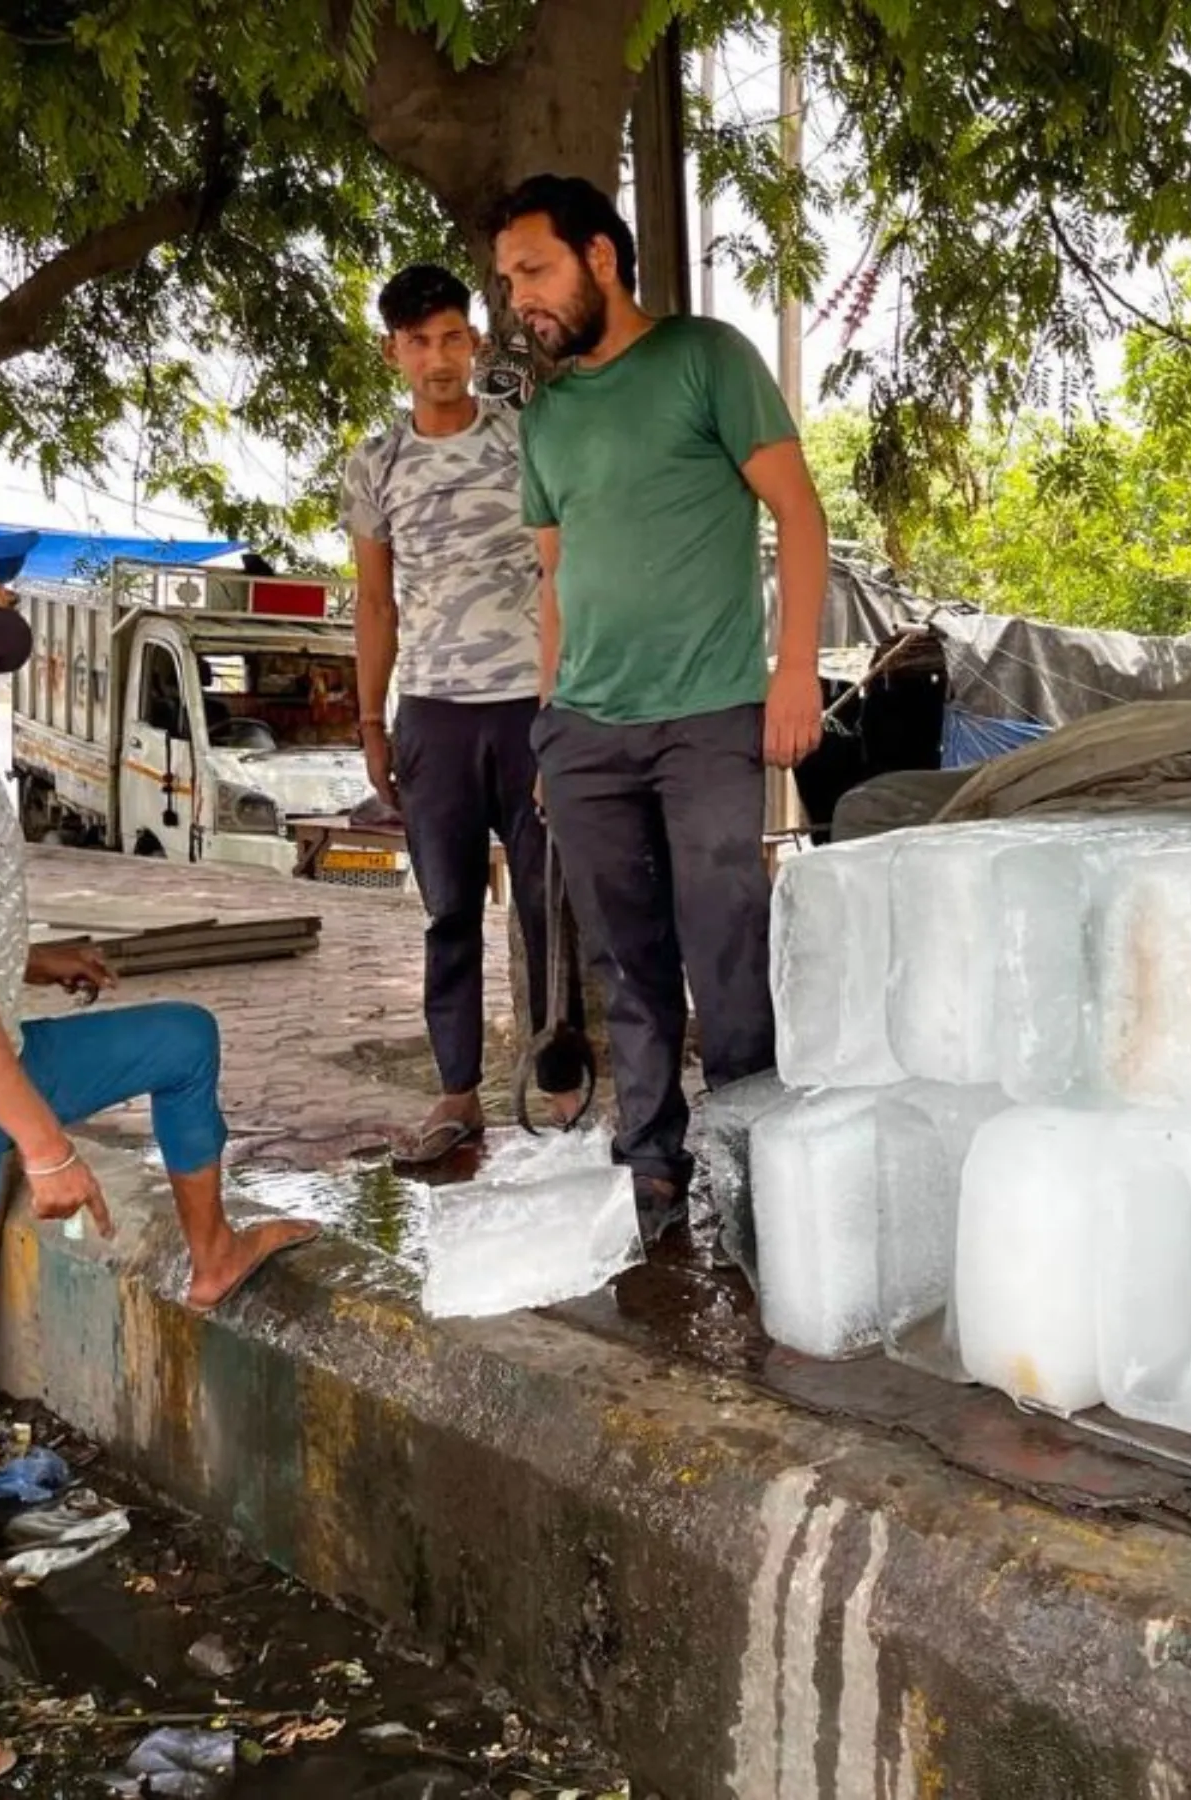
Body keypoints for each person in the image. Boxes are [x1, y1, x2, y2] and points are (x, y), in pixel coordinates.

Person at [0, 516, 318, 1795]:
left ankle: (210, 1256)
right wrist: (46, 1143)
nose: (5, 600)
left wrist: (28, 964)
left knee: (179, 1035)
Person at [491, 174, 830, 1243]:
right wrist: (550, 727)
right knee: (626, 959)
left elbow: (800, 516)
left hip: (712, 713)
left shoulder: (706, 357)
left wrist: (794, 671)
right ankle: (651, 1164)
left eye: (533, 271)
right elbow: (555, 580)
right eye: (507, 282)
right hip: (586, 730)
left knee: (725, 943)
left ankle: (747, 1161)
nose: (518, 301)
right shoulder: (543, 418)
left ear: (600, 257)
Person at [342, 263, 581, 1163]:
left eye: (450, 338)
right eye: (417, 343)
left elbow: (563, 574)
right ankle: (456, 1096)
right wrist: (372, 722)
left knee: (548, 908)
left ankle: (561, 1090)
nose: (437, 360)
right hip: (431, 717)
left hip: (529, 706)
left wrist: (563, 709)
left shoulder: (524, 442)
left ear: (474, 342)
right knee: (448, 913)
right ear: (392, 352)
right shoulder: (375, 464)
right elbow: (375, 605)